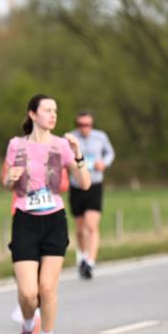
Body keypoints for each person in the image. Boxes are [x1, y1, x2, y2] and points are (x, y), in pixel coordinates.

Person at [5, 94, 91, 334]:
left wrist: (77, 154)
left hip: (54, 219)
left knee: (47, 289)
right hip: (25, 221)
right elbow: (7, 181)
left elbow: (85, 183)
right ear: (32, 114)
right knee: (29, 294)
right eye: (47, 110)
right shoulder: (16, 145)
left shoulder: (62, 145)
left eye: (55, 110)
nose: (53, 115)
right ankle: (29, 326)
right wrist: (10, 179)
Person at [68, 110, 115, 279]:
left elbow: (110, 153)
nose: (84, 128)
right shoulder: (71, 139)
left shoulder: (100, 137)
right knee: (80, 228)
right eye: (80, 125)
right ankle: (82, 255)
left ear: (92, 125)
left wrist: (104, 163)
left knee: (91, 225)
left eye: (87, 125)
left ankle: (90, 262)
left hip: (94, 184)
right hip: (77, 186)